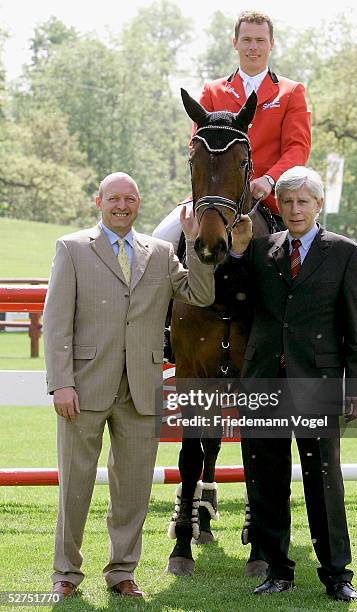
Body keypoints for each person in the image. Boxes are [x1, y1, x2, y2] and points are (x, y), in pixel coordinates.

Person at [43, 172, 214, 600]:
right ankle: (66, 573)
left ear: (139, 203)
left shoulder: (159, 252)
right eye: (114, 198)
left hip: (140, 388)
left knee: (134, 488)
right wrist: (61, 383)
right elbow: (57, 323)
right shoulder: (72, 248)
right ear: (98, 201)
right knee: (75, 484)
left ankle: (122, 572)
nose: (122, 205)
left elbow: (200, 293)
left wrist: (192, 242)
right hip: (82, 388)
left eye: (130, 199)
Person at [227, 166, 357, 601]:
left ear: (318, 205)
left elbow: (356, 325)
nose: (294, 210)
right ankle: (277, 570)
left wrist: (356, 386)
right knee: (265, 479)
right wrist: (235, 253)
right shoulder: (260, 249)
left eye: (302, 202)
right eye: (287, 202)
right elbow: (234, 301)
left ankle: (336, 576)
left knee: (324, 479)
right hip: (263, 380)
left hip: (319, 381)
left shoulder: (345, 253)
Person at [153, 9, 311, 243]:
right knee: (161, 236)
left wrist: (268, 180)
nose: (253, 47)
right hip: (213, 193)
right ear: (235, 43)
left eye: (260, 40)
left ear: (272, 44)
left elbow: (298, 149)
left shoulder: (291, 92)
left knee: (307, 247)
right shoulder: (213, 91)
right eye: (246, 40)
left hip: (268, 195)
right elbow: (195, 146)